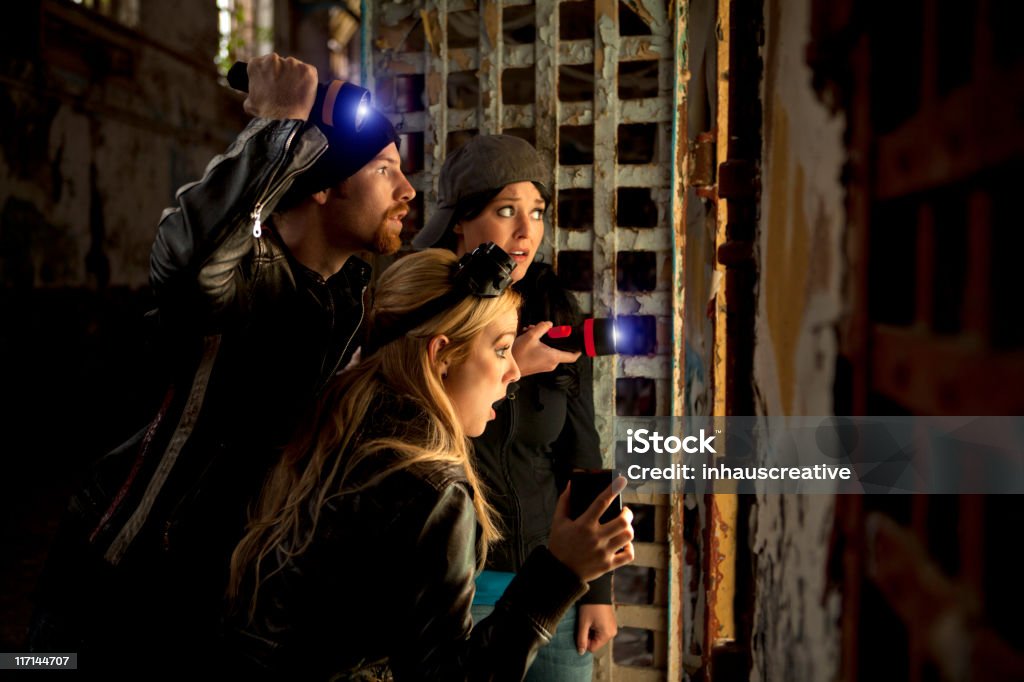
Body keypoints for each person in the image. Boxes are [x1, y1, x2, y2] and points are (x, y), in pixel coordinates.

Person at [27, 54, 414, 672]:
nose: (407, 191)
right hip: (122, 583)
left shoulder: (347, 298)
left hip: (224, 596)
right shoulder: (240, 278)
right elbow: (186, 260)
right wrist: (279, 125)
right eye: (385, 170)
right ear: (322, 183)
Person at [227, 246, 635, 680]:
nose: (515, 371)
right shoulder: (432, 485)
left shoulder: (346, 420)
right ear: (441, 356)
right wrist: (562, 571)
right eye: (501, 350)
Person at [411, 134, 615, 681]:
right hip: (456, 587)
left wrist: (597, 586)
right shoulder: (421, 304)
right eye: (506, 211)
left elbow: (582, 447)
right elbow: (416, 441)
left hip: (553, 579)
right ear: (460, 219)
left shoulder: (552, 306)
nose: (527, 232)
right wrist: (512, 366)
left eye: (537, 212)